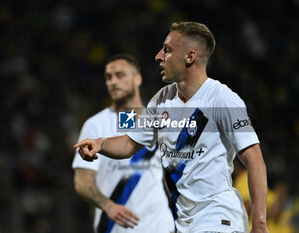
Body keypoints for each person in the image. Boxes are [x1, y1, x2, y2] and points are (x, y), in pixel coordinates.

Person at [74, 22, 269, 233]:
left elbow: (254, 159)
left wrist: (258, 223)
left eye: (167, 50)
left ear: (190, 56)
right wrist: (100, 143)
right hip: (183, 221)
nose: (158, 56)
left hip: (217, 215)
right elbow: (129, 143)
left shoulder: (222, 99)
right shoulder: (161, 101)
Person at [72, 54, 174, 233]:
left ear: (138, 78)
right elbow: (82, 181)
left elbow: (169, 177)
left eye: (120, 75)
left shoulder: (160, 120)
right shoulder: (96, 124)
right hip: (115, 228)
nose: (113, 82)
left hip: (159, 226)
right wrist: (109, 206)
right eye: (108, 77)